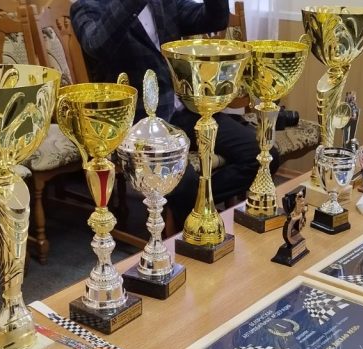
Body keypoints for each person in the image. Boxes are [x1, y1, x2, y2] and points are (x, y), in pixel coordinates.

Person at [70, 0, 278, 226]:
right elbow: (96, 45)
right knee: (184, 183)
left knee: (264, 156)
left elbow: (215, 19)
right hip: (142, 126)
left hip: (188, 111)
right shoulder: (87, 7)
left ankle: (198, 205)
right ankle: (191, 213)